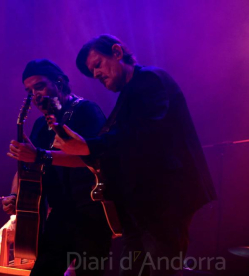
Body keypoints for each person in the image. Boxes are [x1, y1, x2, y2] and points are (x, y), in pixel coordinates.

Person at [53, 35, 217, 276]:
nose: (96, 74)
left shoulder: (149, 80)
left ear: (117, 52)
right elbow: (120, 146)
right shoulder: (129, 95)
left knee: (162, 269)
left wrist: (88, 146)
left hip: (163, 201)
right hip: (140, 206)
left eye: (98, 64)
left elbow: (143, 133)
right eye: (91, 72)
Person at [3, 59, 112, 276]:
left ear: (59, 83)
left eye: (39, 86)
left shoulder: (85, 110)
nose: (35, 95)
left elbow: (95, 158)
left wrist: (40, 155)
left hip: (92, 211)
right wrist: (15, 196)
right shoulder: (40, 125)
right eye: (29, 90)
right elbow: (27, 166)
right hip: (61, 213)